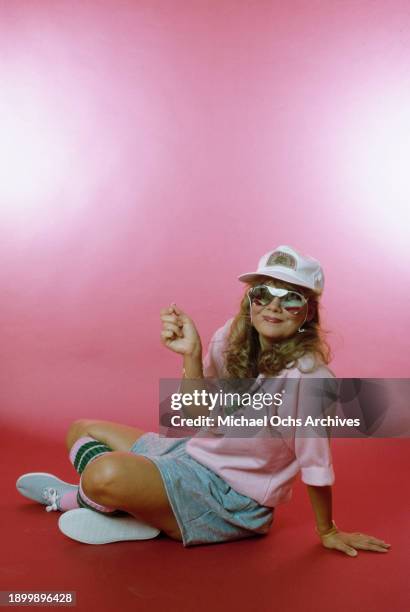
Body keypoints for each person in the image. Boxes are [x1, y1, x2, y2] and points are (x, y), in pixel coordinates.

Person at [16, 245, 391, 556]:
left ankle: (78, 498)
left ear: (308, 313)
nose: (272, 307)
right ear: (250, 301)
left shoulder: (309, 379)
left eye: (290, 298)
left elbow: (316, 463)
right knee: (80, 429)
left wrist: (327, 530)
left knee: (104, 472)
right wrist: (191, 356)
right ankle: (123, 512)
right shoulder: (230, 336)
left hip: (233, 499)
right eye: (262, 293)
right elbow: (192, 416)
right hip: (191, 454)